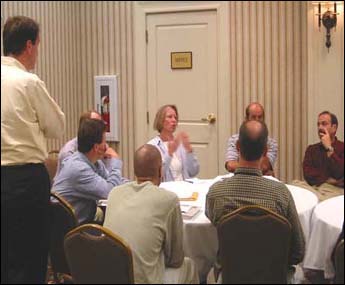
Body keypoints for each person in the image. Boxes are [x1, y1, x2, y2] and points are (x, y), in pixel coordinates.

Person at [1, 16, 65, 284]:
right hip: (26, 180)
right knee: (32, 257)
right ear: (29, 45)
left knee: (6, 257)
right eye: (37, 45)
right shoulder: (27, 82)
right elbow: (57, 127)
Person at [206, 120, 305, 283]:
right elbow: (298, 251)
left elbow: (212, 220)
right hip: (273, 277)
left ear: (237, 147)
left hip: (231, 276)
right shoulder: (281, 194)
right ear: (265, 150)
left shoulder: (217, 193)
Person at [103, 144, 199, 284]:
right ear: (161, 171)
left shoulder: (114, 193)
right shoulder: (169, 200)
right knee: (189, 265)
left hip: (110, 278)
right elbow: (175, 260)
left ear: (135, 171)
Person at [53, 119, 124, 225]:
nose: (107, 146)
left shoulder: (93, 162)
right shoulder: (78, 169)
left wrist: (134, 187)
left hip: (78, 223)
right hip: (65, 231)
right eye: (105, 142)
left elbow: (111, 181)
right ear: (96, 147)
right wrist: (115, 163)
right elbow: (110, 192)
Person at [293, 111, 344, 201]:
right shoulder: (311, 149)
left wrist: (329, 148)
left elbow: (340, 172)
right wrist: (327, 179)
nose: (320, 127)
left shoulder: (342, 147)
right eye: (318, 124)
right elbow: (307, 173)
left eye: (324, 124)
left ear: (334, 128)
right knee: (295, 184)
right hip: (314, 188)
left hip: (334, 191)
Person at [55, 110, 116, 178]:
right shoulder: (68, 152)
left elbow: (108, 176)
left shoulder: (101, 147)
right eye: (94, 124)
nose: (99, 127)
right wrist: (116, 164)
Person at [148, 104, 199, 181]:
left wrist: (189, 151)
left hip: (185, 188)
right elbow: (157, 176)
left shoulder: (180, 144)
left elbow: (193, 172)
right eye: (170, 117)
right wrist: (169, 154)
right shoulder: (152, 146)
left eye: (175, 117)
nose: (174, 120)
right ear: (161, 120)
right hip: (166, 190)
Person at [225, 102, 278, 175]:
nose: (257, 120)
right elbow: (230, 165)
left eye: (260, 117)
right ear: (246, 119)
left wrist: (240, 166)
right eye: (253, 117)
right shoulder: (234, 140)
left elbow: (264, 167)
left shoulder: (271, 143)